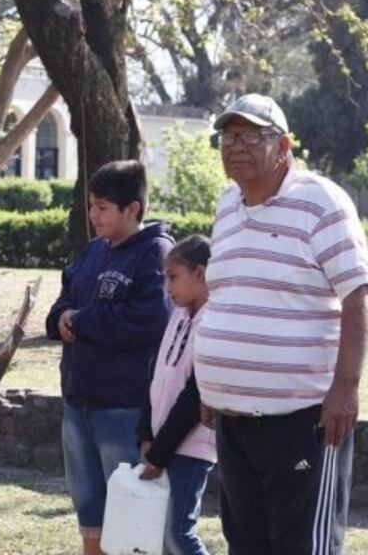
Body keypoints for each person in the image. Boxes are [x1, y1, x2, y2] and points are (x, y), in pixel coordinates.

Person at [195, 94, 368, 554]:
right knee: (247, 546)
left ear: (284, 146)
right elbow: (229, 296)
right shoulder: (226, 206)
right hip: (234, 425)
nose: (236, 145)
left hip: (303, 422)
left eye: (251, 135)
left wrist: (345, 389)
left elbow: (358, 296)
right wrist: (215, 387)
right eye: (228, 135)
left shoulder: (320, 201)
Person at [44, 160, 173, 555]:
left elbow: (152, 318)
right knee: (91, 518)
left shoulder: (156, 253)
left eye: (102, 207)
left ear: (132, 209)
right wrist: (62, 317)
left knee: (131, 520)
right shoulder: (92, 251)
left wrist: (82, 322)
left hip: (124, 408)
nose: (93, 215)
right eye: (91, 206)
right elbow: (65, 298)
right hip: (78, 402)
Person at [138, 235, 215, 555]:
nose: (167, 286)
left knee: (177, 534)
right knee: (163, 537)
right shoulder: (178, 315)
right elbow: (156, 375)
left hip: (191, 447)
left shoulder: (213, 321)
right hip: (163, 443)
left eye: (173, 277)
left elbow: (194, 396)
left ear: (200, 274)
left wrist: (159, 453)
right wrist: (146, 433)